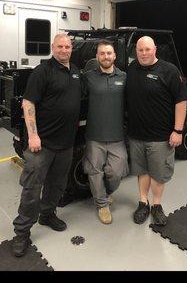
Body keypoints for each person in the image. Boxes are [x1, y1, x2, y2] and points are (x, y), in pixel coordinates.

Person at [12, 33, 81, 257]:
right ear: (53, 47)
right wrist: (33, 135)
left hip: (66, 144)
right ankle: (22, 232)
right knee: (32, 189)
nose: (63, 50)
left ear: (72, 48)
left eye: (67, 46)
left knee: (57, 185)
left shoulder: (76, 71)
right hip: (42, 144)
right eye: (59, 46)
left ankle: (47, 214)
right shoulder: (42, 71)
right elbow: (28, 102)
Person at [126, 36, 187, 226]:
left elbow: (181, 101)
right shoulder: (132, 69)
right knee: (142, 171)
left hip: (161, 136)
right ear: (136, 51)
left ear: (155, 50)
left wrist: (178, 130)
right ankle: (143, 202)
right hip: (136, 135)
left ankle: (157, 205)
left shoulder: (169, 70)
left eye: (147, 49)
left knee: (158, 174)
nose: (144, 53)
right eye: (140, 50)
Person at [82, 39, 128, 224]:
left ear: (114, 56)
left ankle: (106, 193)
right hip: (94, 135)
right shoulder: (88, 76)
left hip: (117, 135)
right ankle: (102, 205)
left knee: (116, 172)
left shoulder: (124, 77)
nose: (106, 56)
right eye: (102, 53)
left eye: (109, 53)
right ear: (97, 56)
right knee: (94, 171)